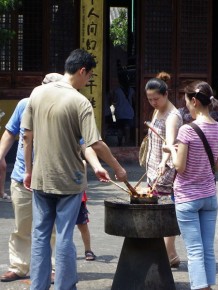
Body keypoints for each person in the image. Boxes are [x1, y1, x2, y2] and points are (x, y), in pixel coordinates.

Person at [21, 49, 127, 290]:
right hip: (69, 180)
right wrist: (118, 168)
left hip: (40, 178)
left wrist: (29, 170)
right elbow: (96, 143)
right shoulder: (80, 102)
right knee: (65, 236)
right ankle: (64, 286)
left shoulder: (36, 93)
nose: (88, 81)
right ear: (82, 71)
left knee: (40, 235)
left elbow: (27, 137)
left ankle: (37, 286)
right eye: (89, 76)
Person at [0, 73, 63, 283]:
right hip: (21, 177)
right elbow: (10, 132)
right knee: (22, 226)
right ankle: (19, 266)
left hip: (50, 178)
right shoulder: (25, 104)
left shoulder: (64, 108)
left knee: (51, 226)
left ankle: (52, 267)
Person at [163, 80, 218, 290]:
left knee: (195, 250)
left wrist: (171, 149)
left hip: (188, 197)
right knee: (207, 248)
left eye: (187, 101)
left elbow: (179, 167)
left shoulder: (187, 130)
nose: (186, 105)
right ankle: (208, 285)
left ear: (195, 101)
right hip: (209, 197)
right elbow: (217, 167)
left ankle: (201, 287)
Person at [145, 71, 182, 267]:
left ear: (166, 94)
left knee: (165, 213)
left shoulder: (173, 116)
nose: (153, 103)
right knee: (158, 210)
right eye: (150, 99)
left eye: (156, 99)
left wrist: (163, 162)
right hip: (153, 168)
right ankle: (170, 254)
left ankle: (168, 255)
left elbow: (170, 142)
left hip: (166, 170)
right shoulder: (157, 110)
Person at [113, 64, 135, 146]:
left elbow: (114, 101)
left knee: (119, 129)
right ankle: (127, 143)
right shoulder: (132, 90)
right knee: (127, 129)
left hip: (119, 112)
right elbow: (135, 101)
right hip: (129, 112)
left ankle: (119, 143)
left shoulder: (117, 90)